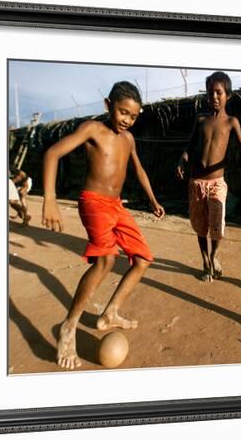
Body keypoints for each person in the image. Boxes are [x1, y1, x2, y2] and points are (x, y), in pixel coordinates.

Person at [42, 81, 165, 369]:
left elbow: (138, 169)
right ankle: (69, 325)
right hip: (93, 201)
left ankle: (111, 312)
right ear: (108, 105)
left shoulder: (129, 139)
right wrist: (50, 198)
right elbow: (52, 154)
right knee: (105, 261)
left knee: (144, 258)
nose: (127, 120)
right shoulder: (92, 130)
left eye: (133, 116)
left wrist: (152, 199)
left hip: (116, 206)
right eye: (123, 112)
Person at [176, 71, 241, 282]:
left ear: (227, 95)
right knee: (200, 225)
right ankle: (205, 262)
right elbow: (190, 145)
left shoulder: (232, 122)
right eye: (210, 92)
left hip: (217, 183)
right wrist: (181, 160)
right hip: (196, 181)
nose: (214, 96)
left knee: (217, 224)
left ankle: (214, 255)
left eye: (218, 92)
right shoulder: (201, 119)